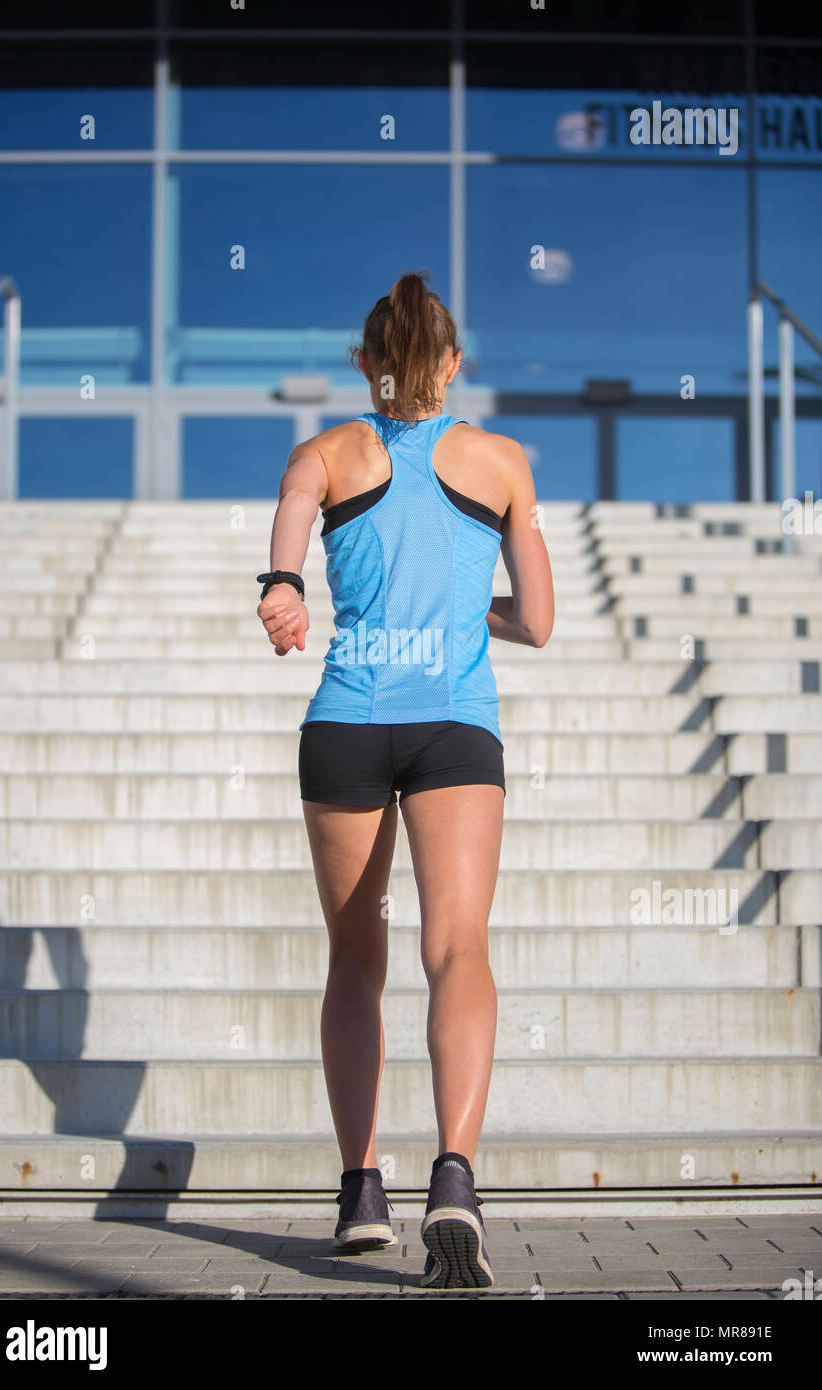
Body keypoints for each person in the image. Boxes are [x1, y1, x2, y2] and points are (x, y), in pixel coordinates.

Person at [256, 270, 554, 1289]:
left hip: (346, 720)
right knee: (455, 947)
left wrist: (286, 585)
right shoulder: (501, 461)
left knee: (354, 959)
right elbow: (541, 621)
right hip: (453, 732)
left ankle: (358, 1193)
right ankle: (456, 1179)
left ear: (364, 363)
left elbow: (296, 503)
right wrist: (479, 614)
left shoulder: (331, 450)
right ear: (454, 362)